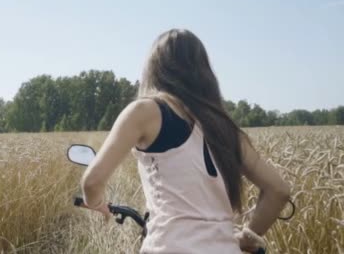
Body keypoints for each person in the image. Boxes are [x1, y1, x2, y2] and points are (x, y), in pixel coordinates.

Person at [80, 29, 291, 253]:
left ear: (154, 70)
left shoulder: (146, 111)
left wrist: (96, 204)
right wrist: (247, 237)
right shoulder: (226, 129)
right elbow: (279, 191)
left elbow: (92, 182)